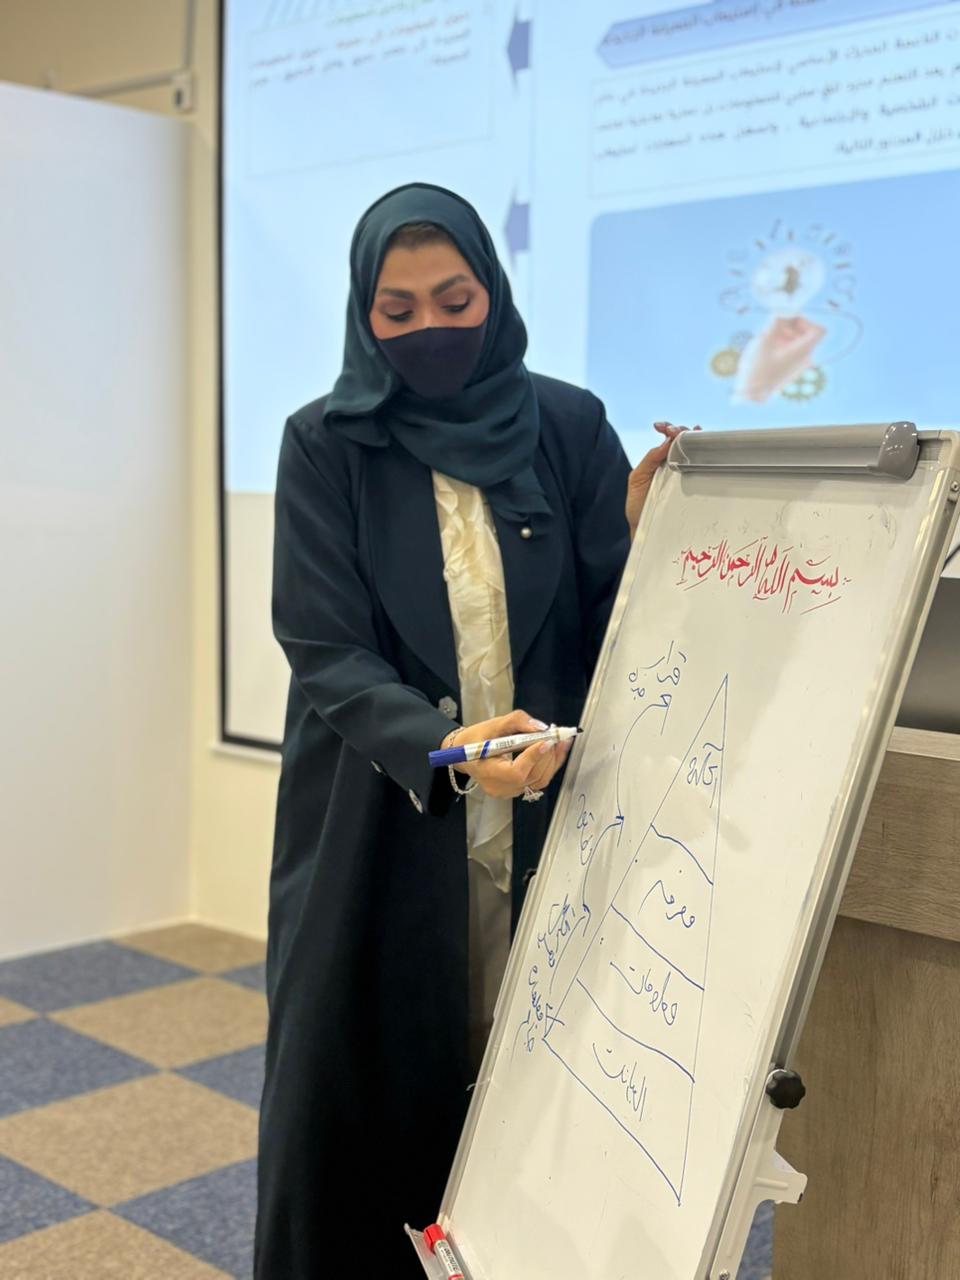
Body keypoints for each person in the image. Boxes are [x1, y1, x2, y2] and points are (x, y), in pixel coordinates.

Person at [254, 182, 678, 1278]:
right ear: (365, 314)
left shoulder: (567, 424)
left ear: (492, 289)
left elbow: (614, 622)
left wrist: (654, 538)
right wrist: (448, 751)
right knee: (364, 1105)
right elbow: (325, 646)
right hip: (383, 820)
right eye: (398, 311)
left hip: (551, 819)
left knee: (544, 1095)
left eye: (455, 300)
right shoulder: (325, 442)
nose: (430, 328)